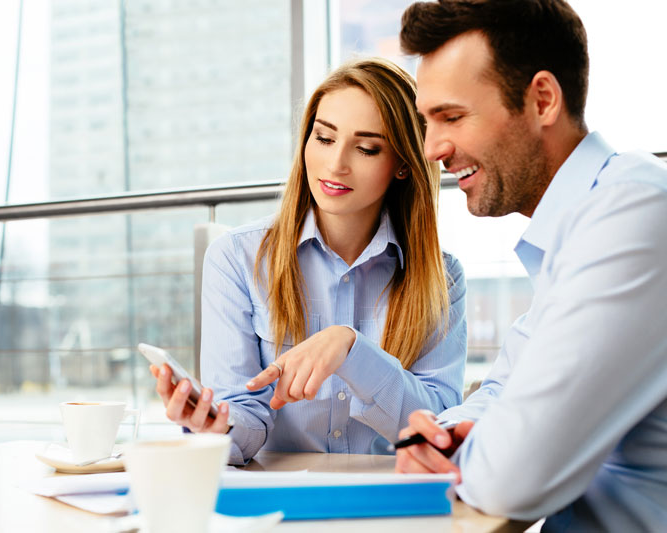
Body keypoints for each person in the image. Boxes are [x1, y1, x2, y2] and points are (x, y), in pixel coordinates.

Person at [394, 1, 667, 531]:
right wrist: (449, 435)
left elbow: (509, 479)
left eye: (451, 117)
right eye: (427, 122)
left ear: (542, 99)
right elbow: (503, 389)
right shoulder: (579, 225)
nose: (432, 149)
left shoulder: (632, 212)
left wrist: (488, 446)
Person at [150, 57, 467, 465]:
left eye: (367, 148)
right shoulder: (236, 258)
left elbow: (439, 425)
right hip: (282, 502)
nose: (336, 164)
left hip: (389, 495)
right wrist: (214, 428)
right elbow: (241, 422)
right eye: (324, 138)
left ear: (403, 164)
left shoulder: (443, 278)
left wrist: (353, 351)